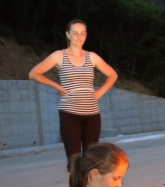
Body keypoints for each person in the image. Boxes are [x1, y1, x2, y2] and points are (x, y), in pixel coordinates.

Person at [29, 19, 118, 168]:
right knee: (74, 159)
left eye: (82, 33)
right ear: (68, 34)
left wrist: (100, 92)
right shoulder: (59, 56)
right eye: (75, 33)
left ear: (86, 35)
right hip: (70, 114)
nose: (79, 37)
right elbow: (34, 73)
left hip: (92, 114)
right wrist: (56, 85)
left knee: (92, 160)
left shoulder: (92, 57)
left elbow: (113, 75)